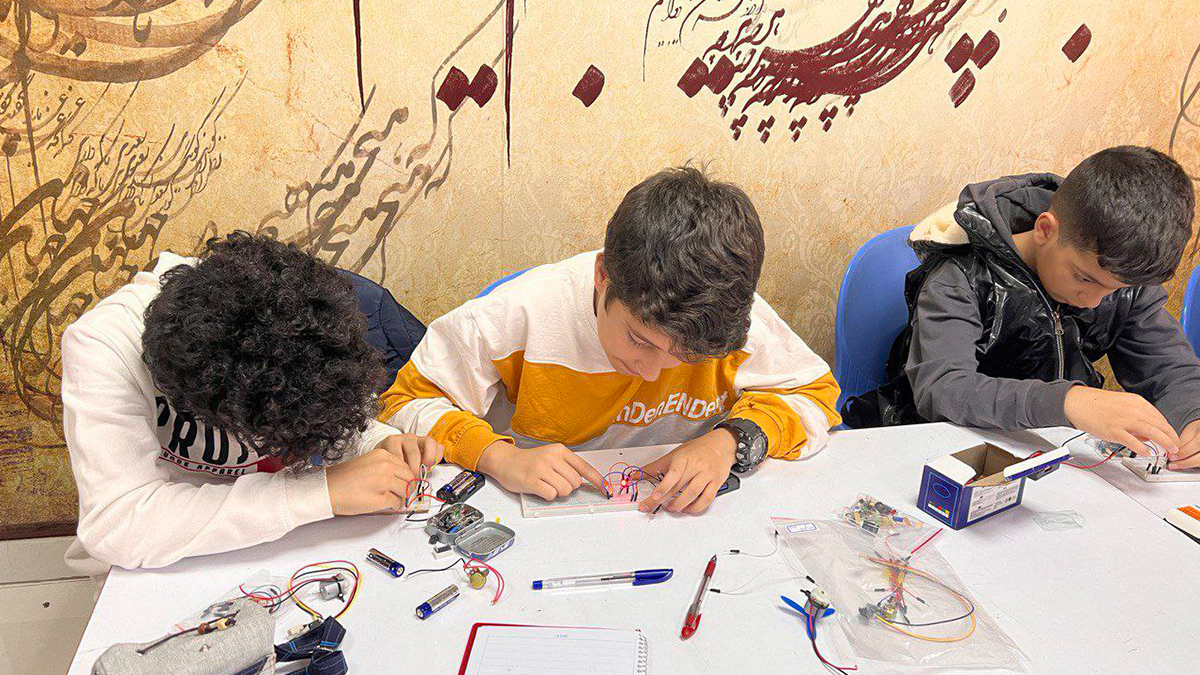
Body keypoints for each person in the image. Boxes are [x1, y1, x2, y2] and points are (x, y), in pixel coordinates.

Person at [379, 166, 841, 515]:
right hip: (544, 516)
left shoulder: (726, 319)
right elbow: (404, 402)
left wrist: (730, 441)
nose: (652, 373)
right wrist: (498, 457)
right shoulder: (516, 316)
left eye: (685, 357)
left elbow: (817, 396)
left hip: (679, 521)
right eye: (639, 340)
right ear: (602, 277)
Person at [61, 232, 442, 574]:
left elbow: (308, 400)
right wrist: (320, 492)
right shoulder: (103, 345)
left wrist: (374, 439)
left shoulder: (306, 314)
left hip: (298, 541)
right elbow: (117, 525)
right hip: (172, 561)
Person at [842, 146, 1200, 470]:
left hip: (1048, 458)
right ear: (1045, 230)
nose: (1095, 300)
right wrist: (1068, 402)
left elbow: (1174, 371)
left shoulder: (1121, 276)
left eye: (1117, 290)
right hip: (936, 453)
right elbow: (943, 389)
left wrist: (1193, 416)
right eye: (1084, 278)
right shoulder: (962, 275)